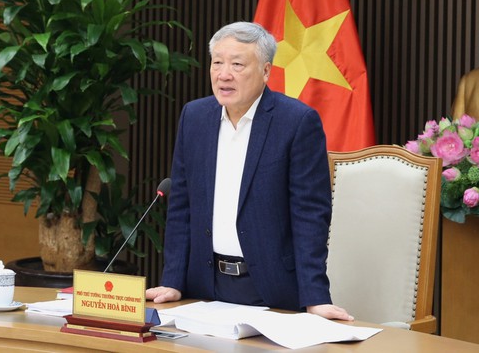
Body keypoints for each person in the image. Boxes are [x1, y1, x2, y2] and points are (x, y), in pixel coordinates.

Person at [146, 21, 352, 320]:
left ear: (266, 71)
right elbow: (182, 206)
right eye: (217, 62)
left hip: (272, 291)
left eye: (237, 64)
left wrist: (315, 296)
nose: (223, 74)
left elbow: (310, 215)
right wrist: (173, 281)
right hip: (203, 288)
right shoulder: (195, 116)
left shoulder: (296, 122)